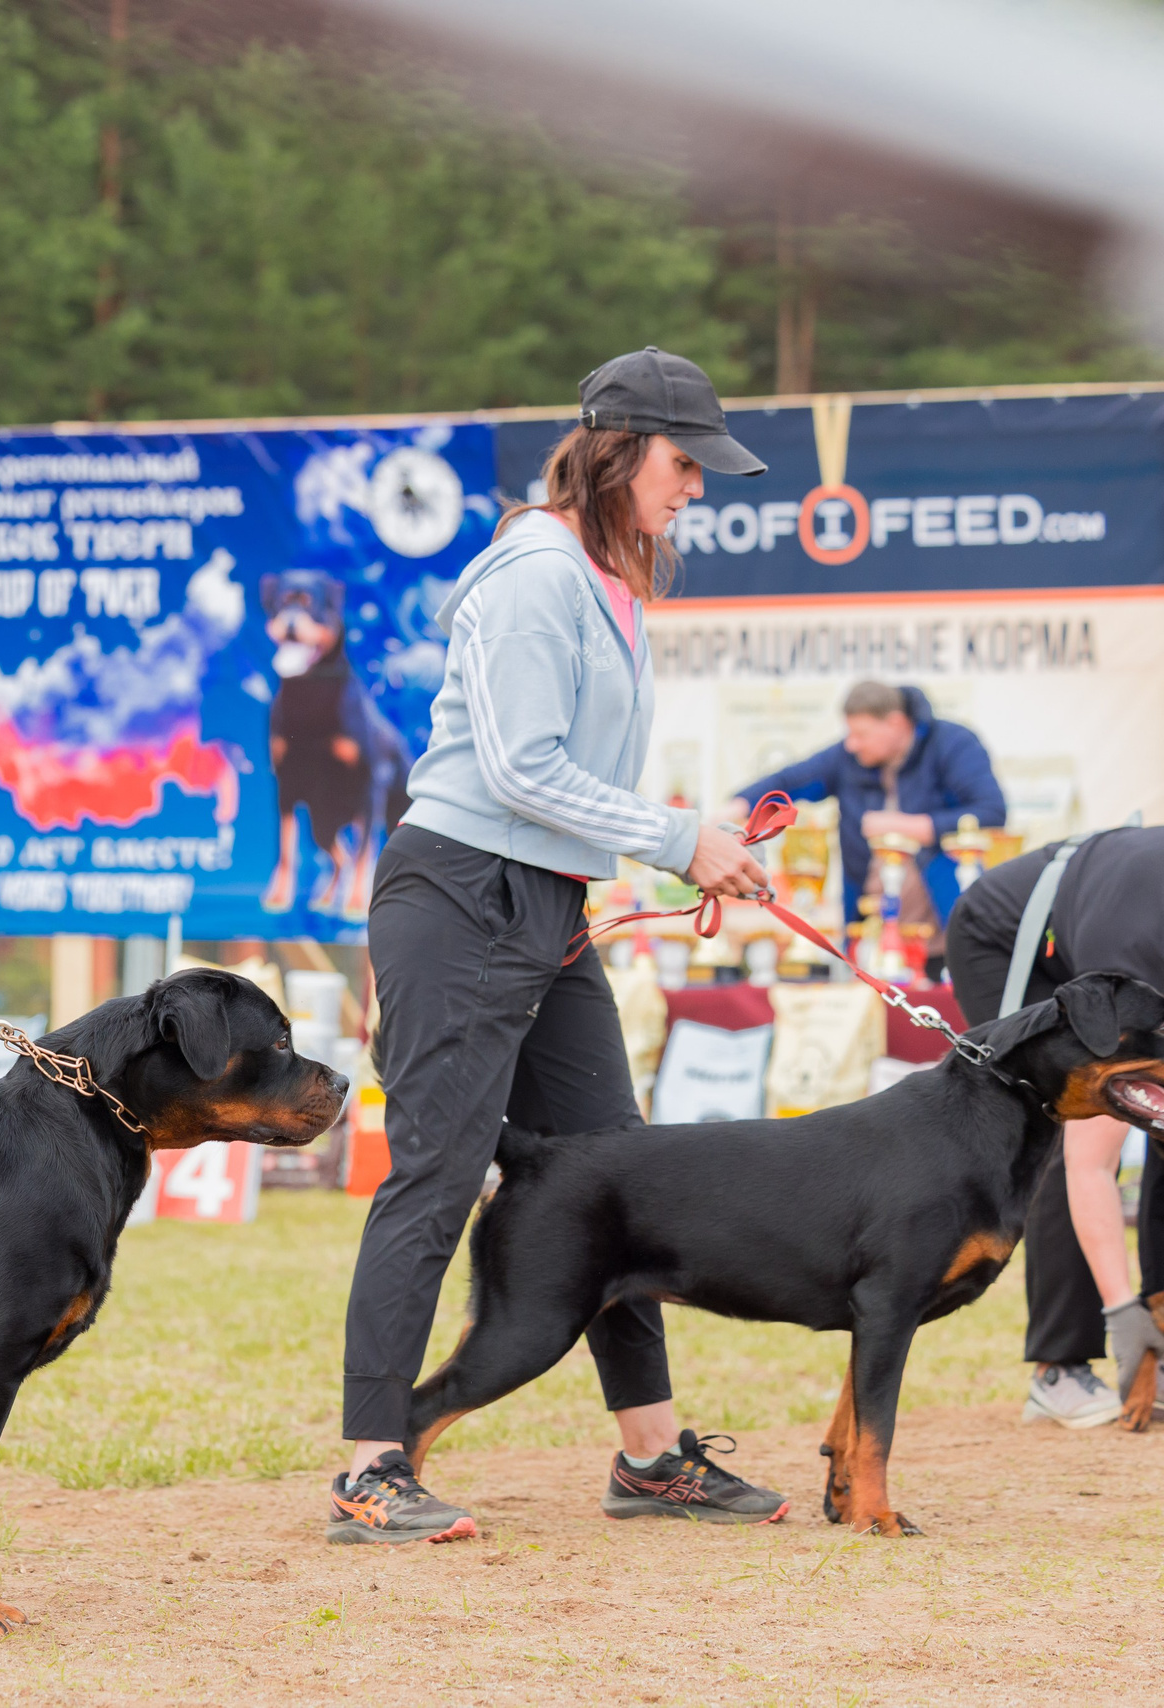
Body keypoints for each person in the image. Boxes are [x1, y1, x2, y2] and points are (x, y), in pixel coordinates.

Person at [330, 348, 791, 1544]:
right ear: (618, 448)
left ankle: (649, 1458)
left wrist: (680, 833)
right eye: (684, 464)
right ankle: (371, 1467)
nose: (694, 487)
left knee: (610, 1175)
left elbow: (564, 783)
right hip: (459, 892)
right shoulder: (533, 572)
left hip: (545, 903)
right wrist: (679, 839)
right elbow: (518, 766)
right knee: (436, 1173)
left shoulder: (606, 578)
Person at [943, 826, 1164, 1430]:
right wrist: (1124, 1312)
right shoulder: (1139, 947)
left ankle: (1160, 1352)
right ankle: (1059, 1367)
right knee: (1073, 1119)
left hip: (1088, 930)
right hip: (1009, 941)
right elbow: (1091, 1163)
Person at [724, 681, 1004, 933]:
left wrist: (903, 825)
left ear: (895, 723)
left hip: (942, 925)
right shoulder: (848, 758)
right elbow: (791, 779)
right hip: (866, 926)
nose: (852, 744)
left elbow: (991, 811)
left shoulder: (954, 744)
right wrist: (738, 805)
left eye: (861, 733)